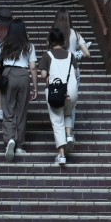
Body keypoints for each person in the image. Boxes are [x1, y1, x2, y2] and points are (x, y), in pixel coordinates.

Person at [0, 20, 37, 161]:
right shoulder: (29, 46)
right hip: (24, 76)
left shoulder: (5, 45)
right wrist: (35, 87)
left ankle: (10, 140)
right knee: (22, 110)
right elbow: (33, 67)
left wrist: (2, 68)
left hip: (8, 75)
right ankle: (19, 145)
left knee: (8, 109)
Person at [38, 28, 79, 166]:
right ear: (63, 40)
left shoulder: (47, 55)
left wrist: (49, 75)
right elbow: (74, 72)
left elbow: (43, 75)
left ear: (50, 40)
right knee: (67, 113)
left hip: (56, 91)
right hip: (71, 91)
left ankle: (61, 155)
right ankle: (69, 135)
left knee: (57, 121)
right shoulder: (70, 55)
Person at [52, 8, 90, 140]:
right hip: (73, 70)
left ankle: (61, 133)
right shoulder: (75, 34)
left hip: (58, 71)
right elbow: (87, 53)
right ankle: (70, 133)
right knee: (72, 102)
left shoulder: (54, 35)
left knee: (58, 99)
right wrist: (76, 54)